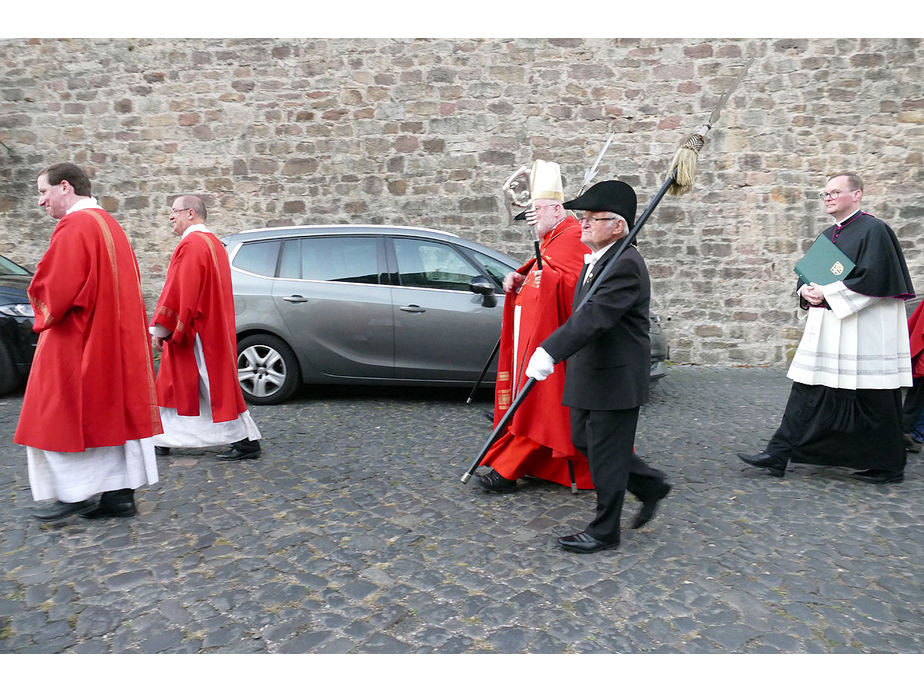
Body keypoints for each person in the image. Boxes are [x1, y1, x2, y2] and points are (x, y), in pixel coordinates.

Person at [738, 172, 915, 484]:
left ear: (857, 194)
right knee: (808, 388)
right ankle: (779, 453)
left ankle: (889, 465)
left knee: (875, 397)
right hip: (831, 328)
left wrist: (828, 293)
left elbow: (876, 279)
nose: (828, 197)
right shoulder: (829, 234)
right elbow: (809, 275)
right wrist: (804, 290)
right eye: (825, 194)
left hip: (865, 331)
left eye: (835, 192)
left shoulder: (874, 230)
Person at [524, 180, 671, 553]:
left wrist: (550, 350)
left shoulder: (625, 264)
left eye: (593, 218)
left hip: (615, 377)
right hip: (591, 370)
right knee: (583, 441)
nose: (583, 223)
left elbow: (596, 317)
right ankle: (649, 484)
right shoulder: (601, 260)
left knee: (605, 454)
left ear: (618, 225)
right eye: (583, 216)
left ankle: (605, 530)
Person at [16, 163, 161, 521]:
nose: (40, 202)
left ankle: (75, 492)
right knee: (110, 416)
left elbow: (55, 290)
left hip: (78, 340)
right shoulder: (109, 224)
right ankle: (118, 495)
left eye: (43, 192)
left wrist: (35, 295)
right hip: (113, 341)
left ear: (65, 187)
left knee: (59, 413)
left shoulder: (75, 227)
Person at [478, 160, 592, 493]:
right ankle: (529, 466)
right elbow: (541, 272)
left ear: (557, 208)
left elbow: (573, 285)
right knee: (542, 408)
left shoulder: (572, 236)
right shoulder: (555, 235)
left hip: (560, 342)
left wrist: (544, 279)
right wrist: (519, 277)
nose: (532, 215)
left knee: (543, 407)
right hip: (540, 337)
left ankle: (509, 469)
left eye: (538, 209)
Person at [150, 196, 262, 460]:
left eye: (174, 211)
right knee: (187, 386)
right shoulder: (213, 243)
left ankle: (245, 441)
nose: (170, 217)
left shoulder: (191, 244)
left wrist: (161, 328)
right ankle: (162, 437)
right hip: (211, 328)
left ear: (190, 213)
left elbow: (179, 290)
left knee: (204, 386)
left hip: (196, 330)